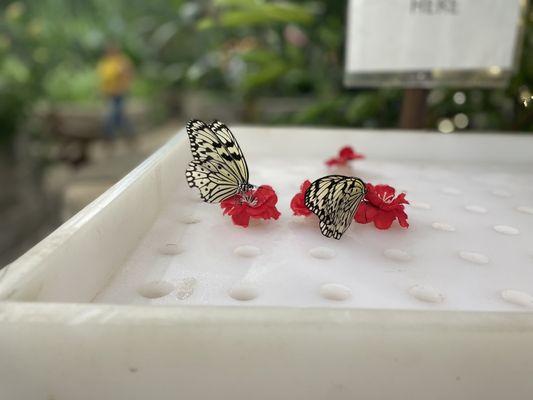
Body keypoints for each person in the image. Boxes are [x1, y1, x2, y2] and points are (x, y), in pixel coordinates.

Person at [97, 44, 134, 140]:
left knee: (114, 117)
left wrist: (124, 83)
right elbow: (102, 80)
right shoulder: (105, 64)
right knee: (118, 117)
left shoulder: (122, 62)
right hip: (109, 94)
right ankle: (129, 137)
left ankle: (117, 139)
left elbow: (128, 75)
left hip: (120, 94)